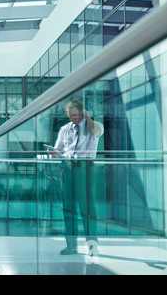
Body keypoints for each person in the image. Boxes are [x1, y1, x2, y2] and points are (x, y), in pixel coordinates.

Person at [48, 100, 104, 256]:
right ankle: (71, 246)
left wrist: (88, 118)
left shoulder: (94, 125)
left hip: (85, 168)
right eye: (69, 115)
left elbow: (95, 132)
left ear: (82, 113)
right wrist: (54, 153)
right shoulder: (65, 129)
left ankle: (93, 247)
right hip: (67, 168)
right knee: (68, 208)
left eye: (74, 115)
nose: (72, 118)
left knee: (87, 209)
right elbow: (58, 149)